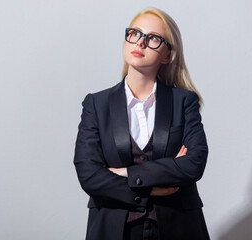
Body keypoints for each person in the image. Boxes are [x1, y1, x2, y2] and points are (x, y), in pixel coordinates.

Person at [74, 7, 209, 240]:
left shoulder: (184, 101)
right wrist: (150, 189)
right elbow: (89, 174)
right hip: (113, 228)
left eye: (153, 38)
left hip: (178, 226)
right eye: (135, 33)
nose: (141, 43)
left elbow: (193, 164)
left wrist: (127, 172)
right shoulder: (96, 104)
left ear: (167, 55)